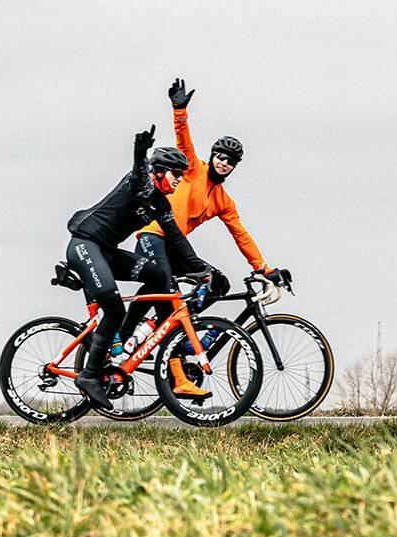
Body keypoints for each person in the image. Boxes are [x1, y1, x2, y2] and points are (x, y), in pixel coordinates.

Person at [118, 78, 287, 389]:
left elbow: (241, 236)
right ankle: (136, 336)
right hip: (153, 236)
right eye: (221, 157)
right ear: (214, 155)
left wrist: (265, 269)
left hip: (175, 248)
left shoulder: (223, 201)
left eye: (231, 161)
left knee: (217, 282)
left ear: (235, 167)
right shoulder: (194, 168)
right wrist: (179, 109)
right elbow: (183, 139)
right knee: (170, 299)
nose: (224, 163)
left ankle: (178, 333)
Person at [66, 128, 202, 411]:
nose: (179, 180)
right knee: (114, 308)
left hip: (107, 251)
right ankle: (89, 376)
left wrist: (203, 270)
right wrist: (140, 150)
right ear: (161, 172)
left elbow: (176, 238)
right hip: (86, 245)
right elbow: (140, 172)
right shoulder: (141, 183)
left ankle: (125, 339)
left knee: (158, 276)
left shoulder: (160, 203)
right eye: (176, 174)